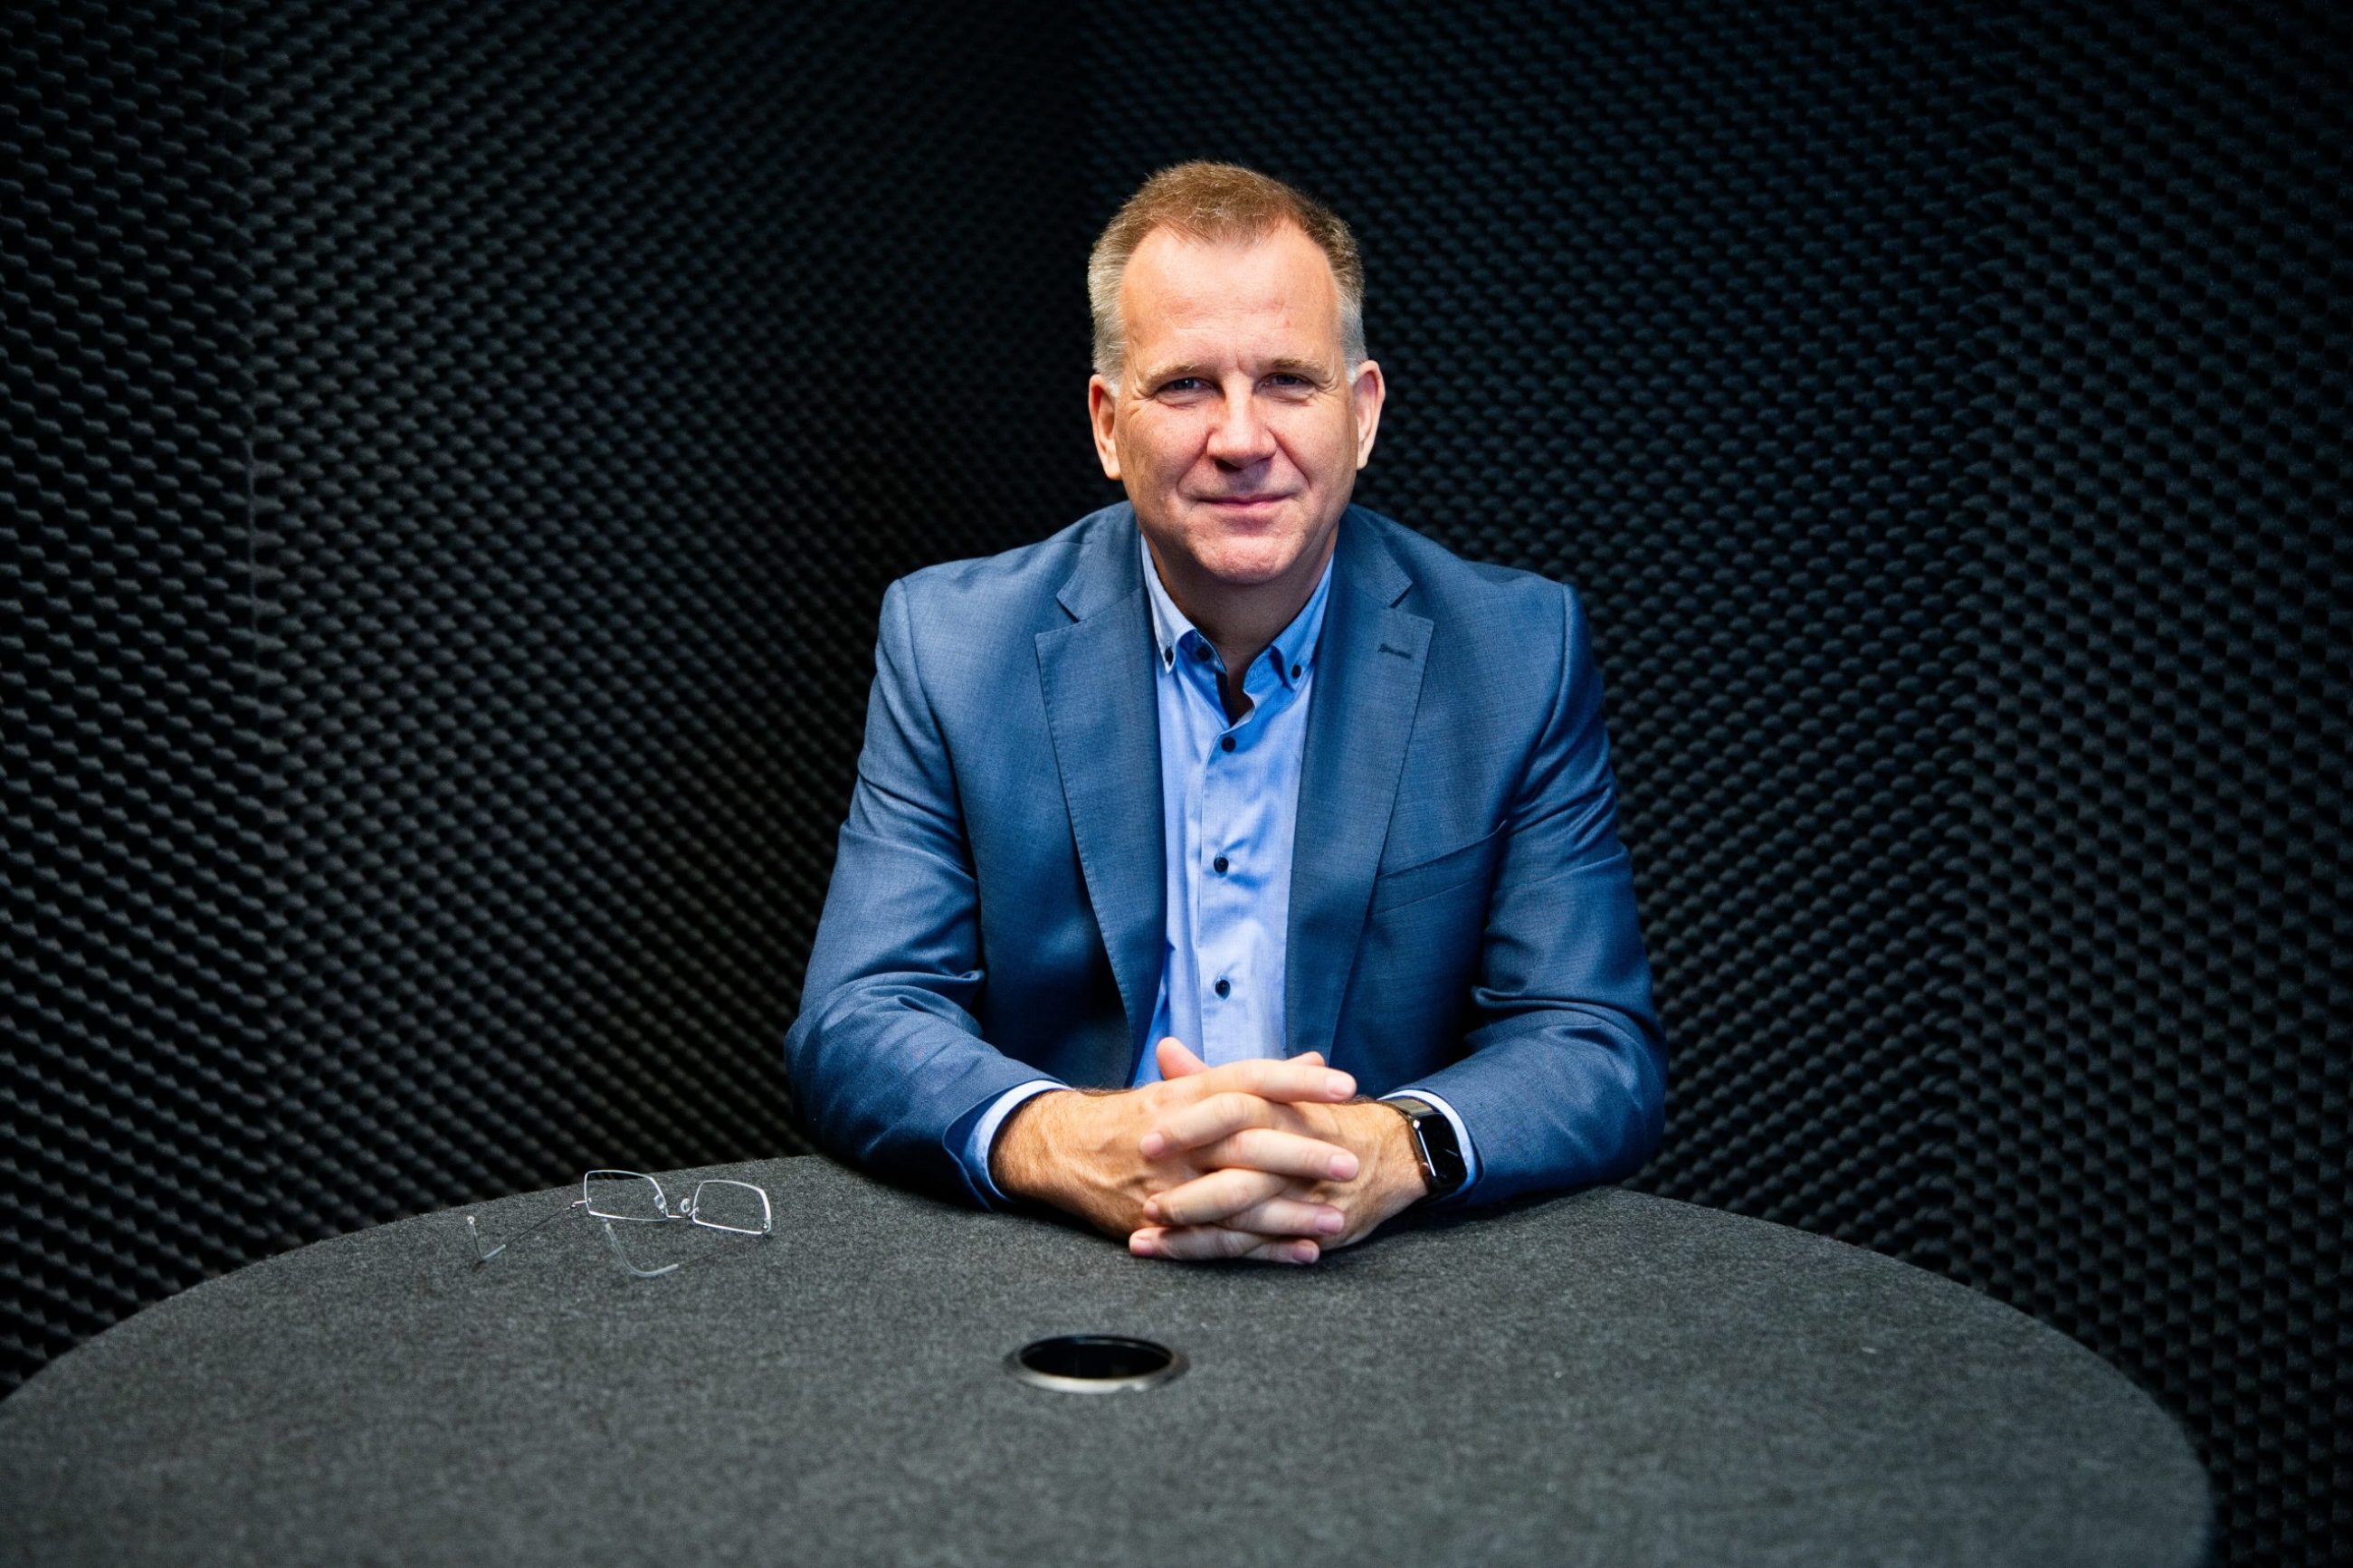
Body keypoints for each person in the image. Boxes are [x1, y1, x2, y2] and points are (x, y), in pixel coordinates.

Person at [785, 162, 1663, 1264]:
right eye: (1186, 385)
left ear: (1361, 413)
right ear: (1108, 424)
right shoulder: (952, 646)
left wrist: (1389, 1147)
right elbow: (858, 1016)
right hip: (1059, 1261)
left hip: (1387, 1276)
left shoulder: (1515, 653)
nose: (1241, 437)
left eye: (1288, 380)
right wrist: (1072, 1139)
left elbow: (1593, 1043)